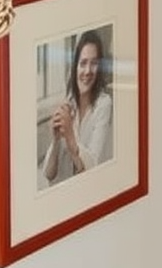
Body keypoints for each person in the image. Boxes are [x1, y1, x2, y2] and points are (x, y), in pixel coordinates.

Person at [41, 30, 113, 185]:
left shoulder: (104, 104)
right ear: (75, 67)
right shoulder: (68, 103)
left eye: (94, 63)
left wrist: (70, 136)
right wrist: (55, 140)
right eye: (83, 63)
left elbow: (92, 166)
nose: (88, 71)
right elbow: (48, 174)